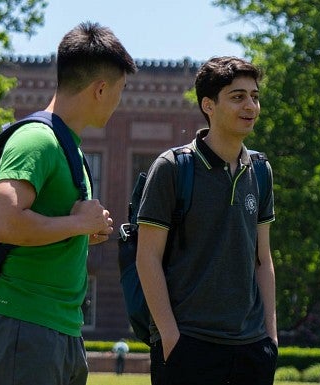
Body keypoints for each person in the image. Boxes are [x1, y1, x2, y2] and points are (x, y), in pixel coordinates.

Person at [0, 21, 134, 385]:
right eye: (119, 90)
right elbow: (3, 222)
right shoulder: (37, 140)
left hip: (59, 329)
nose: (118, 101)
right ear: (99, 89)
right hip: (24, 324)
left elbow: (43, 223)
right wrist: (79, 224)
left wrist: (83, 231)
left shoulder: (69, 147)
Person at [135, 56, 278, 385]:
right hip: (189, 346)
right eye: (237, 96)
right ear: (208, 105)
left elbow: (263, 258)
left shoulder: (260, 170)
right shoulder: (172, 167)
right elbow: (148, 257)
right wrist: (171, 338)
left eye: (255, 96)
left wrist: (270, 338)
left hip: (252, 349)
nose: (250, 106)